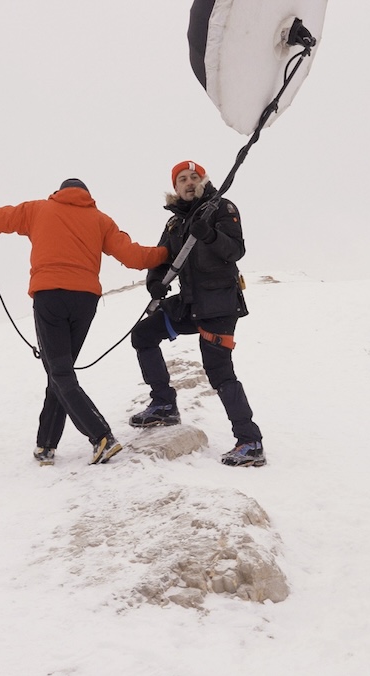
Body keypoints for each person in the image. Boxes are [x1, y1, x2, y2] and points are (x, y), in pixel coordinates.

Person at [0, 179, 166, 466]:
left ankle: (101, 436)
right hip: (84, 302)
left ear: (59, 192)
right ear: (87, 196)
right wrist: (170, 251)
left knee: (60, 372)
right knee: (59, 372)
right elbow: (135, 256)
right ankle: (46, 445)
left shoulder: (38, 210)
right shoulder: (100, 221)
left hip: (50, 296)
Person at [129, 160, 265, 467]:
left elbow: (235, 251)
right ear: (175, 188)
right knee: (143, 335)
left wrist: (210, 235)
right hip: (189, 304)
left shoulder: (221, 208)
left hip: (219, 304)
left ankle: (250, 441)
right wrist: (154, 279)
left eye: (194, 177)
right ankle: (164, 404)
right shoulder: (175, 222)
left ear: (203, 181)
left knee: (218, 371)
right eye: (182, 179)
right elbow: (164, 256)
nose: (189, 182)